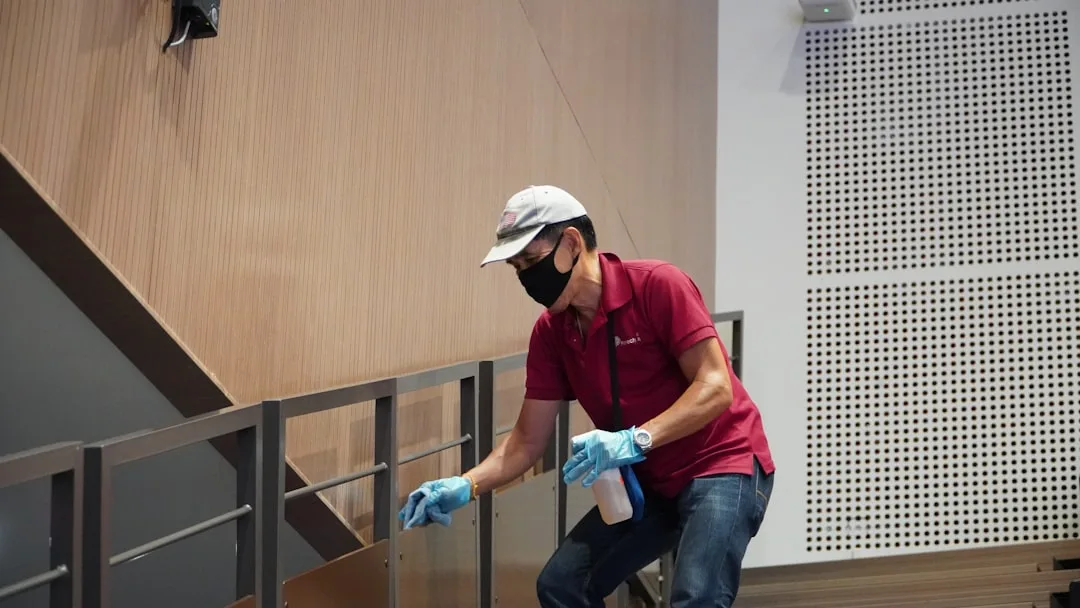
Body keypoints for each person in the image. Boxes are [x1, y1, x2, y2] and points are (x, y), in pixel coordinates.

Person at [398, 185, 775, 607]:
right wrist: (465, 485)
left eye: (532, 262)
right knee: (561, 585)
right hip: (650, 483)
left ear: (572, 243)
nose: (527, 279)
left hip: (722, 464)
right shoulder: (551, 333)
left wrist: (635, 440)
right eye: (517, 268)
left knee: (696, 597)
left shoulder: (657, 285)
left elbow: (715, 386)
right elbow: (526, 442)